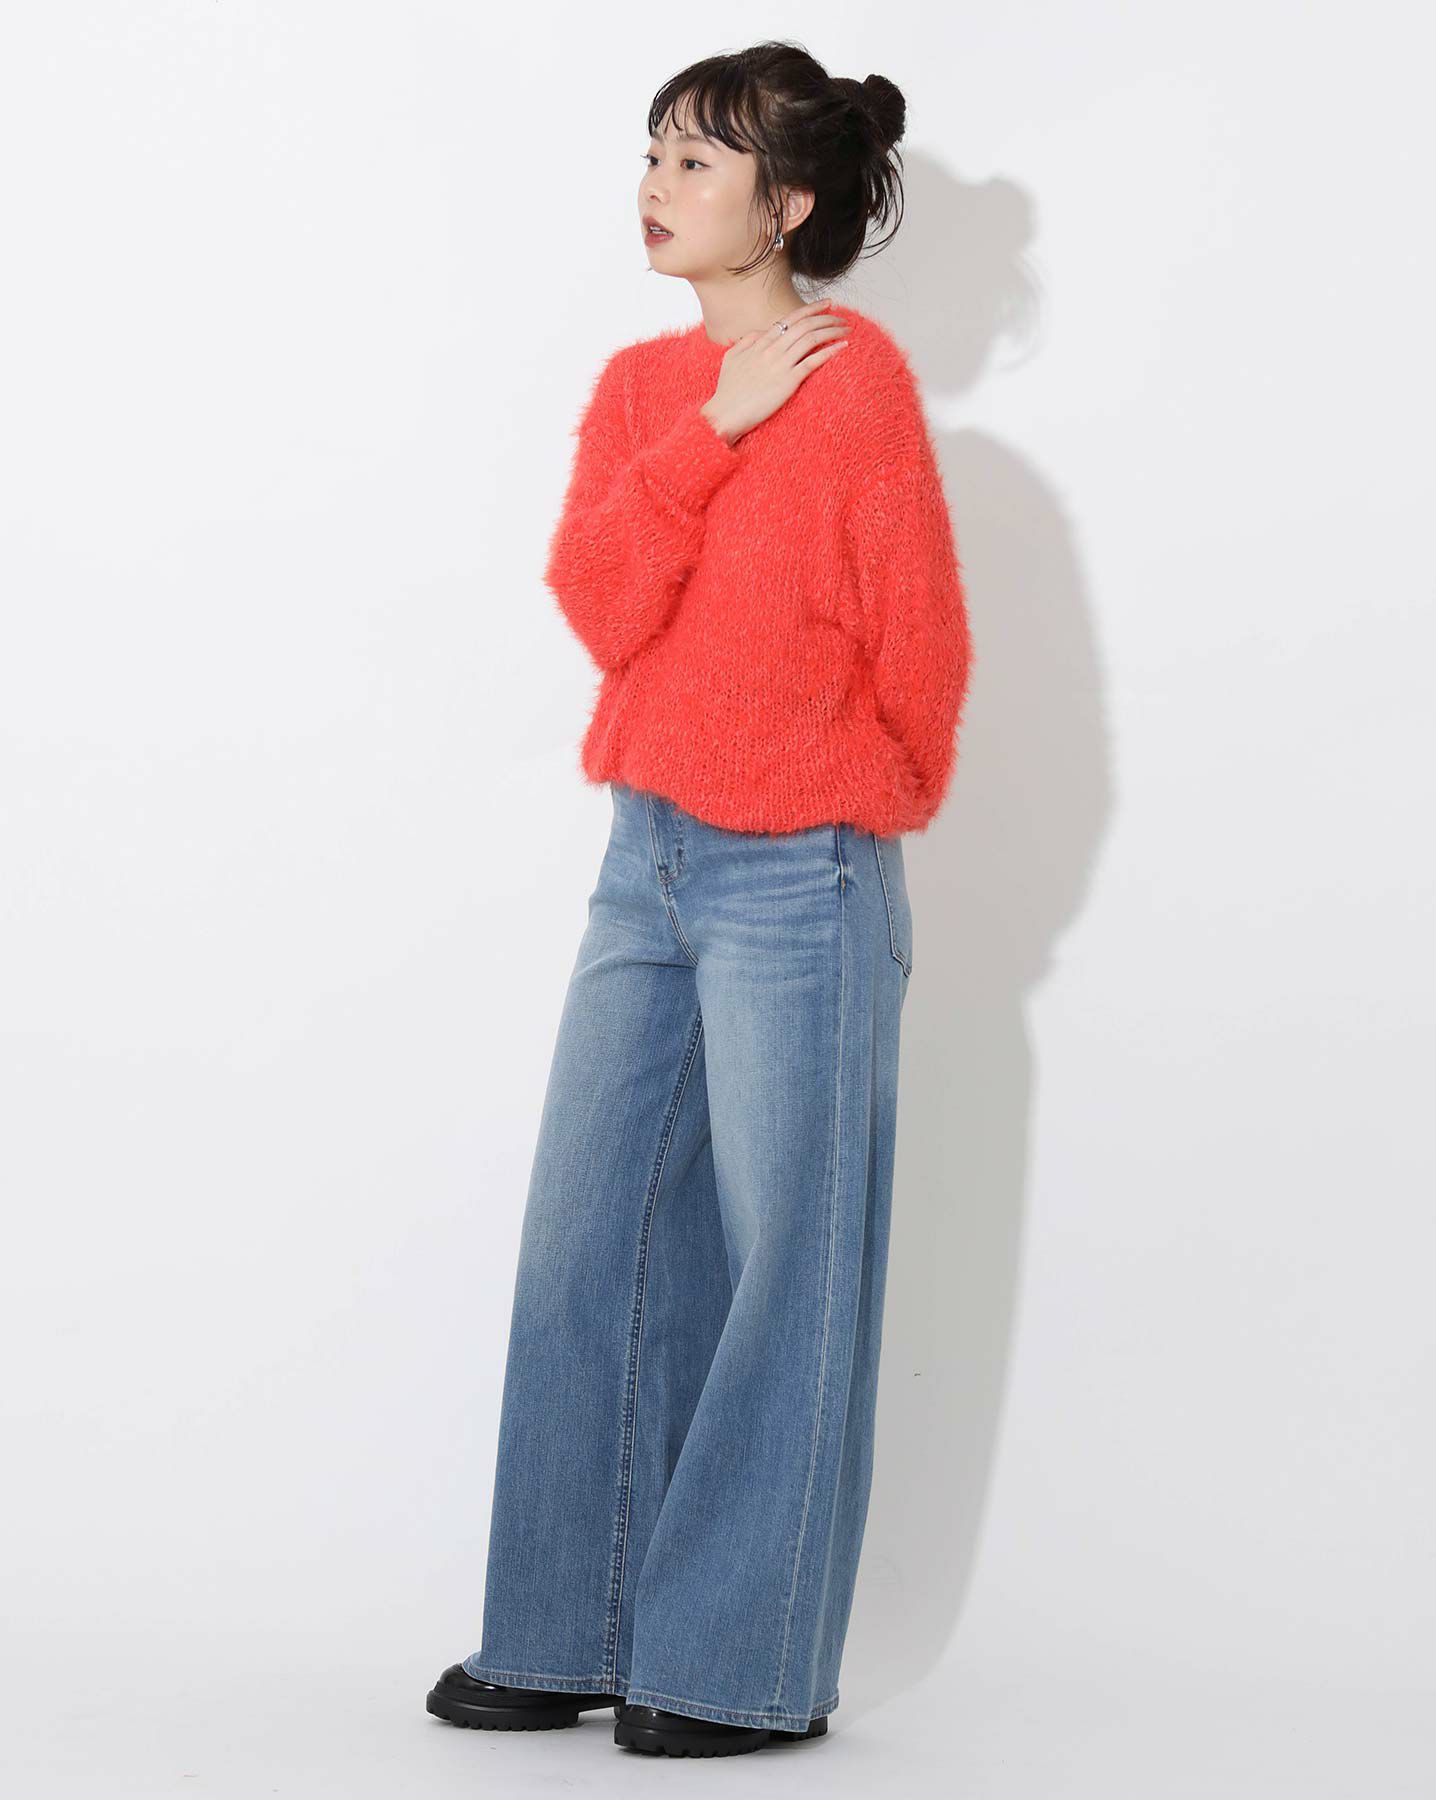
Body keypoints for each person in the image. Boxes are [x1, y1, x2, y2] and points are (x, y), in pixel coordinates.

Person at [426, 40, 973, 1759]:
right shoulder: (645, 389)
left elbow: (920, 641)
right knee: (587, 1242)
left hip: (800, 868)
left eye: (696, 161)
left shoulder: (860, 385)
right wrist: (713, 428)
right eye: (654, 152)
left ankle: (736, 1667)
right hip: (645, 860)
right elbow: (599, 602)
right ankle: (565, 1629)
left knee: (785, 1267)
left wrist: (847, 802)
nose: (656, 186)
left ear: (784, 204)